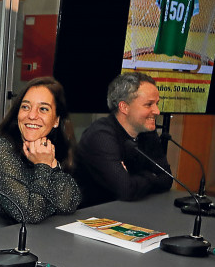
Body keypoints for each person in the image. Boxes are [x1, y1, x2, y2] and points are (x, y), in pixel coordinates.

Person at [0, 77, 81, 237]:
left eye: (43, 109)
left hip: (24, 239)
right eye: (26, 107)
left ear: (56, 120)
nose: (32, 115)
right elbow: (31, 213)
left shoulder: (47, 149)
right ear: (17, 113)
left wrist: (52, 164)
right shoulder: (0, 150)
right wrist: (43, 166)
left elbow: (69, 203)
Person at [74, 72, 173, 207]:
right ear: (124, 107)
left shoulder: (147, 132)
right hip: (92, 216)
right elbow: (126, 190)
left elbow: (167, 179)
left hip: (132, 211)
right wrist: (151, 176)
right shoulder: (100, 135)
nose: (157, 111)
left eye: (157, 103)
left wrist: (135, 178)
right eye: (149, 104)